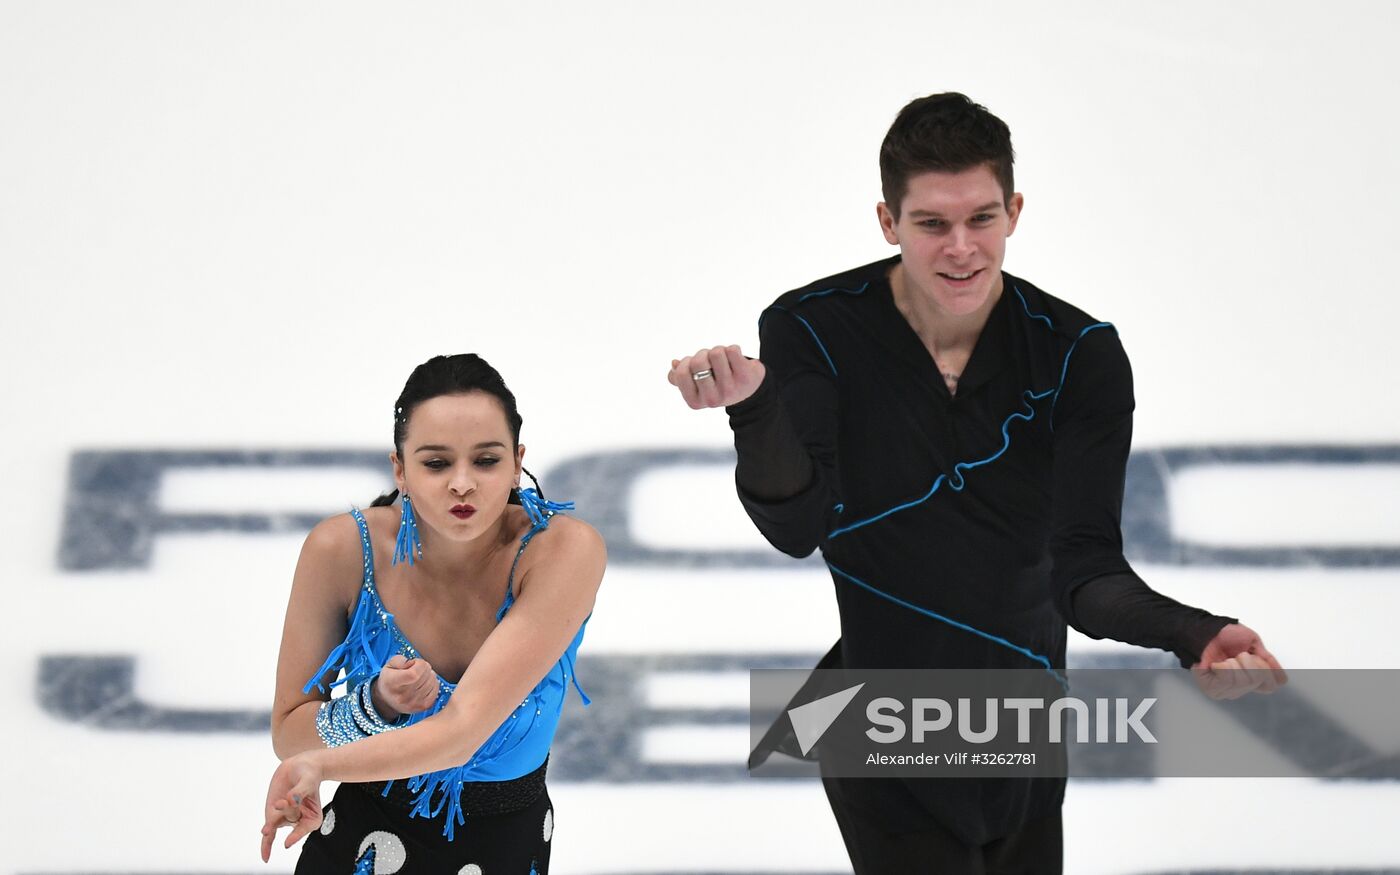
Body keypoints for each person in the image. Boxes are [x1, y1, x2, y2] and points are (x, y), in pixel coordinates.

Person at [667, 93, 1286, 873]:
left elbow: (1085, 570)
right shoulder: (813, 328)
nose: (961, 248)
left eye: (981, 219)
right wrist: (756, 411)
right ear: (889, 222)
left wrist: (1192, 630)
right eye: (931, 224)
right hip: (878, 718)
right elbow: (799, 526)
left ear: (1015, 210)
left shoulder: (1077, 354)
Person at [261, 353, 605, 874]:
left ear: (517, 462)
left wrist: (322, 764)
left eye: (486, 461)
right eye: (437, 463)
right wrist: (375, 704)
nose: (462, 484)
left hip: (505, 850)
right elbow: (289, 733)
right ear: (400, 468)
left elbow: (462, 731)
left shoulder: (562, 550)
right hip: (357, 843)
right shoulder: (343, 550)